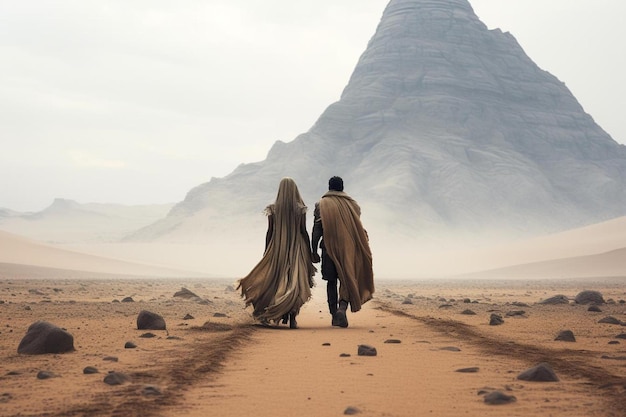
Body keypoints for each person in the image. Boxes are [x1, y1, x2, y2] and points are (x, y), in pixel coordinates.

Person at [237, 177, 316, 329]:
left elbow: (270, 231)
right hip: (296, 248)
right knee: (295, 281)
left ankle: (278, 309)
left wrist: (267, 251)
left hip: (277, 249)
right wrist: (311, 252)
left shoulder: (273, 209)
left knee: (277, 280)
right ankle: (293, 317)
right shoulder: (300, 209)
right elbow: (303, 231)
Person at [311, 176, 374, 328]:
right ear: (342, 187)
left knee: (331, 281)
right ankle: (342, 307)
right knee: (347, 278)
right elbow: (356, 228)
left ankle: (334, 314)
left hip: (329, 247)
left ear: (329, 187)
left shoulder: (321, 204)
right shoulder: (354, 205)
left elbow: (317, 230)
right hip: (350, 249)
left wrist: (313, 251)